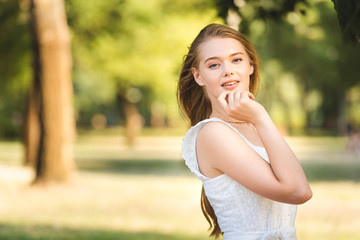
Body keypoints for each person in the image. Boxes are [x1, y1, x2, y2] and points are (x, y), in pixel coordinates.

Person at [177, 23, 312, 240]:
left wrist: (258, 120)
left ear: (251, 65)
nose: (228, 70)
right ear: (198, 76)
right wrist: (261, 116)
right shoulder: (214, 134)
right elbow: (299, 191)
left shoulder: (253, 128)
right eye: (213, 65)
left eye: (236, 60)